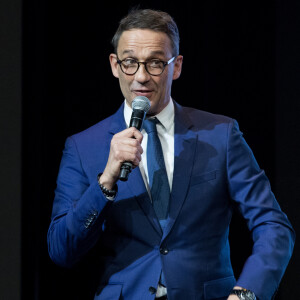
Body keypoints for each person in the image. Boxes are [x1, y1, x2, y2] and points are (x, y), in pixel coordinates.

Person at [47, 8, 295, 300]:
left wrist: (247, 292)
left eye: (154, 63)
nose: (141, 76)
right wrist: (106, 180)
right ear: (114, 65)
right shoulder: (82, 147)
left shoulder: (221, 134)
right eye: (130, 62)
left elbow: (273, 225)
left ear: (175, 67)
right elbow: (61, 250)